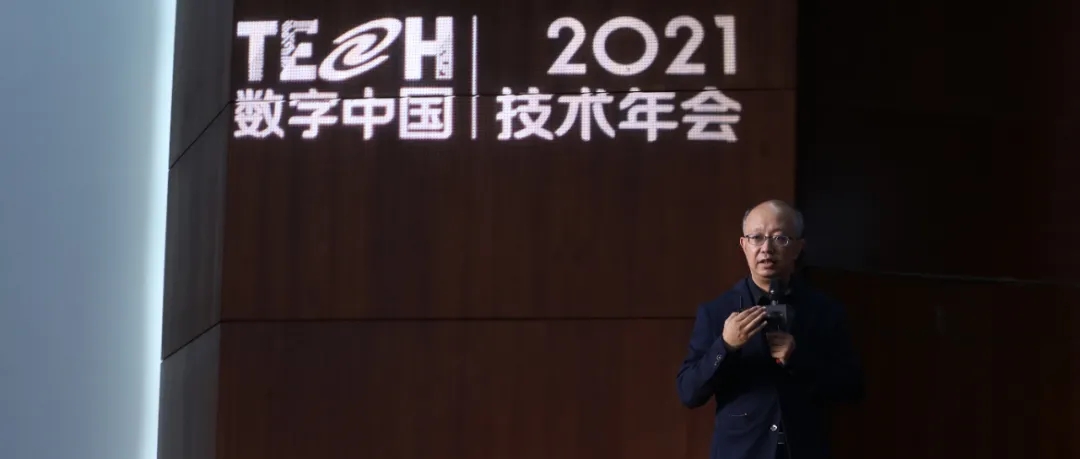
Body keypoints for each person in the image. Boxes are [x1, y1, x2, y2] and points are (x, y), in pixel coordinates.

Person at [676, 200, 864, 459]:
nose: (766, 248)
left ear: (798, 248)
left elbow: (852, 387)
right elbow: (688, 392)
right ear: (744, 245)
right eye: (756, 238)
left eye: (780, 238)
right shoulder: (717, 311)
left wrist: (798, 359)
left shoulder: (824, 310)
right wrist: (725, 345)